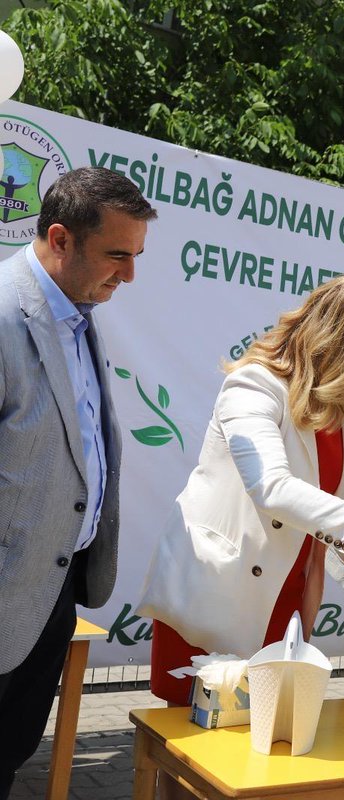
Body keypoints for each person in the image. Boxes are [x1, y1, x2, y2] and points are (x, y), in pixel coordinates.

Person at [138, 276, 344, 707]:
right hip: (220, 593)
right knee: (191, 739)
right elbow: (270, 487)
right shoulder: (254, 386)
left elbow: (332, 509)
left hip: (288, 601)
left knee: (263, 742)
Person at [0, 167, 156, 798]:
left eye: (137, 255)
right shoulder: (6, 312)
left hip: (52, 589)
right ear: (59, 239)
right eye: (117, 255)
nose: (130, 275)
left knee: (8, 757)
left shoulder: (77, 314)